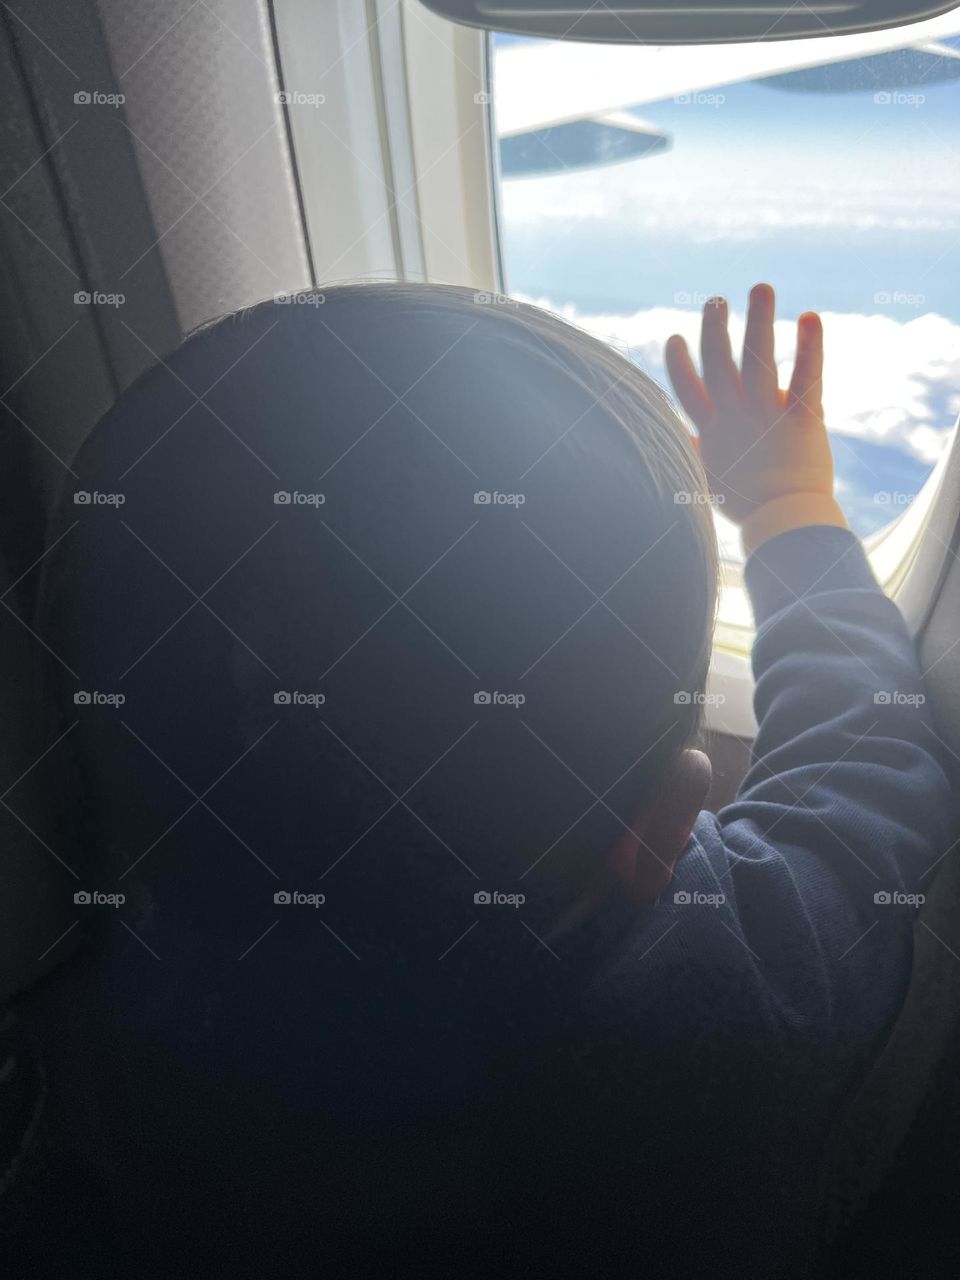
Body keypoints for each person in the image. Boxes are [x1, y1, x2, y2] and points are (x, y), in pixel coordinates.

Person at [16, 282, 952, 1276]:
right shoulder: (738, 981)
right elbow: (869, 757)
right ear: (670, 820)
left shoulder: (105, 1008)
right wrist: (786, 505)